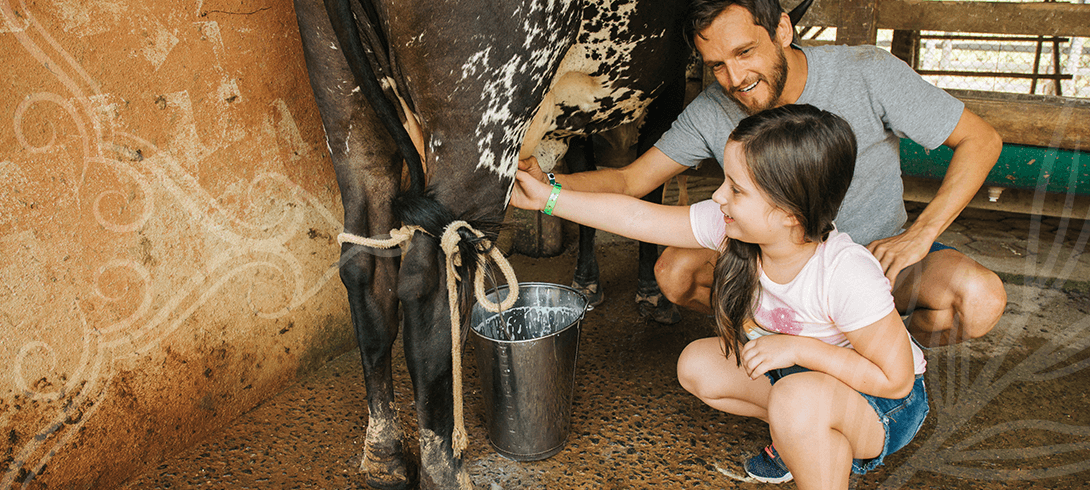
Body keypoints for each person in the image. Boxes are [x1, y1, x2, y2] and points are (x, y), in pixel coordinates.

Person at [519, 0, 1006, 347]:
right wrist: (545, 188)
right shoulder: (713, 108)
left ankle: (870, 353)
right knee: (674, 272)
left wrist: (920, 235)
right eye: (717, 65)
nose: (734, 78)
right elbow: (630, 182)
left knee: (978, 300)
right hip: (773, 269)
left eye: (745, 52)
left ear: (783, 31)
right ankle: (789, 338)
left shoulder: (867, 71)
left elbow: (982, 140)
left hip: (877, 259)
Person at [511, 104, 928, 488]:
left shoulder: (846, 273)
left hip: (882, 406)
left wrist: (798, 348)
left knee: (795, 401)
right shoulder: (735, 230)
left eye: (736, 189)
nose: (718, 195)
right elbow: (637, 217)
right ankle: (801, 436)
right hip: (803, 381)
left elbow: (895, 380)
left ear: (789, 213)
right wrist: (550, 199)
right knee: (698, 365)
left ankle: (802, 433)